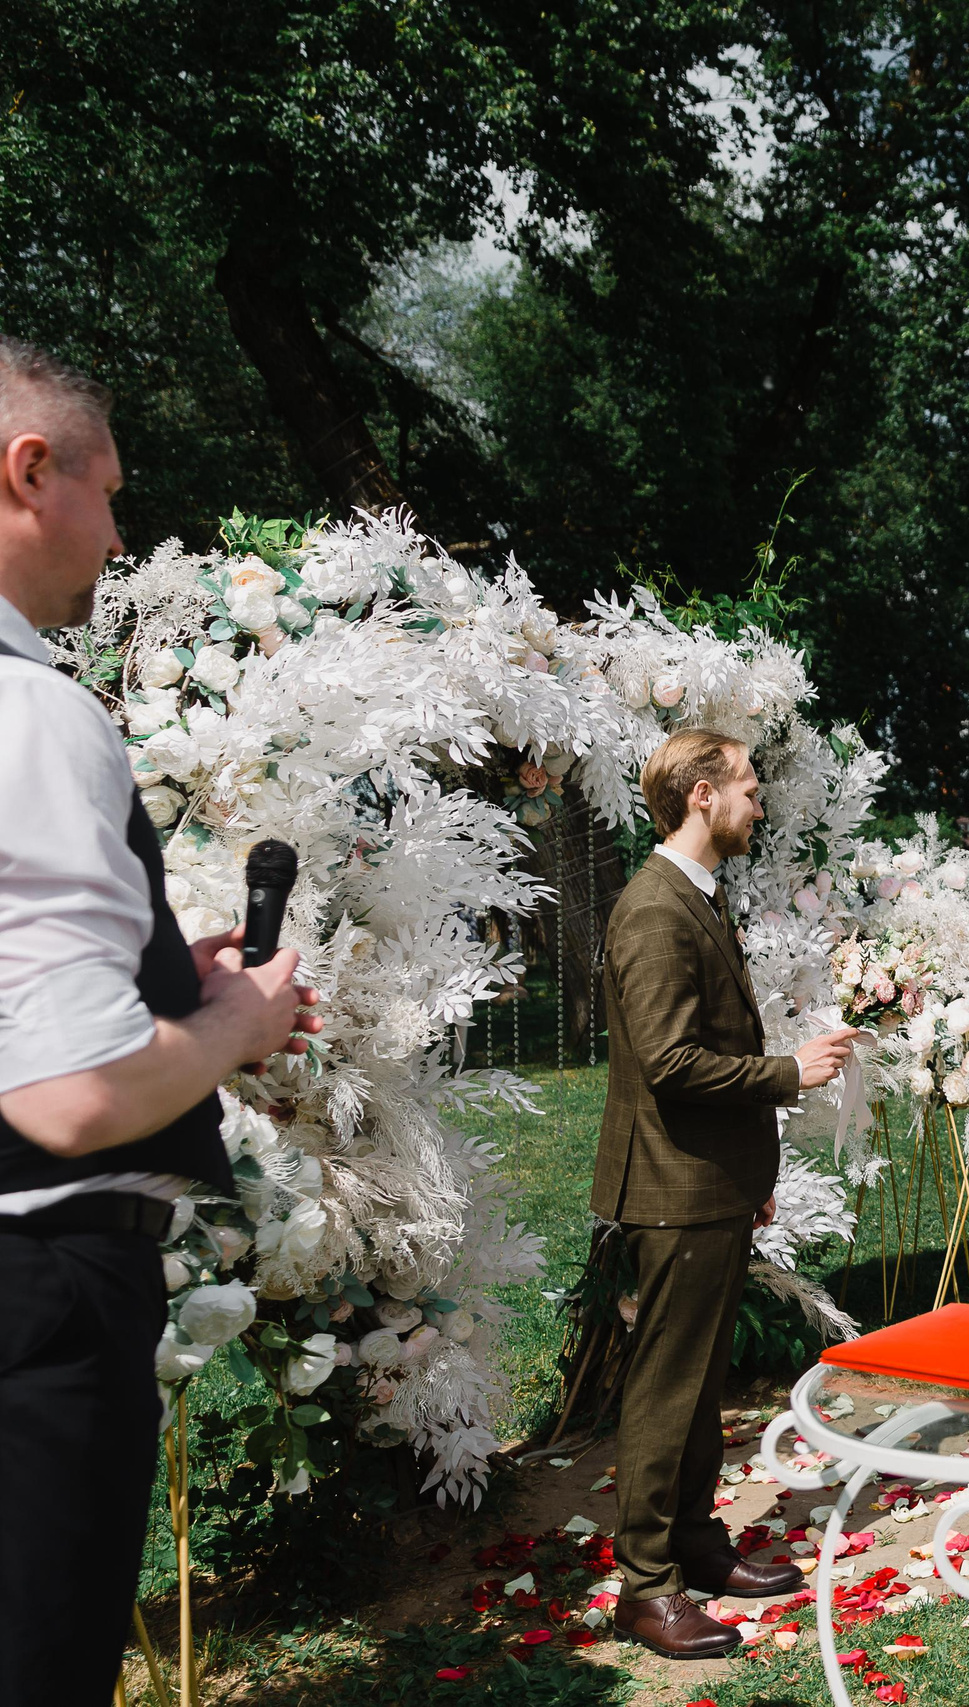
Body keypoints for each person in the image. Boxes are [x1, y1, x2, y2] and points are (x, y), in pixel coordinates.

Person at [0, 338, 322, 1704]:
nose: (120, 535)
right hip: (42, 1300)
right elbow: (67, 1097)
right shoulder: (30, 713)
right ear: (28, 472)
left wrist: (147, 989)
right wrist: (235, 1024)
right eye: (110, 492)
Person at [595, 730, 858, 1659]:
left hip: (706, 1181)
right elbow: (669, 1061)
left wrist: (747, 1178)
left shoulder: (693, 897)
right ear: (702, 796)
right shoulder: (655, 909)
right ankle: (648, 1584)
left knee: (701, 1381)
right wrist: (790, 1070)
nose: (758, 803)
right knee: (668, 1386)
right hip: (672, 1183)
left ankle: (698, 1546)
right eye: (748, 788)